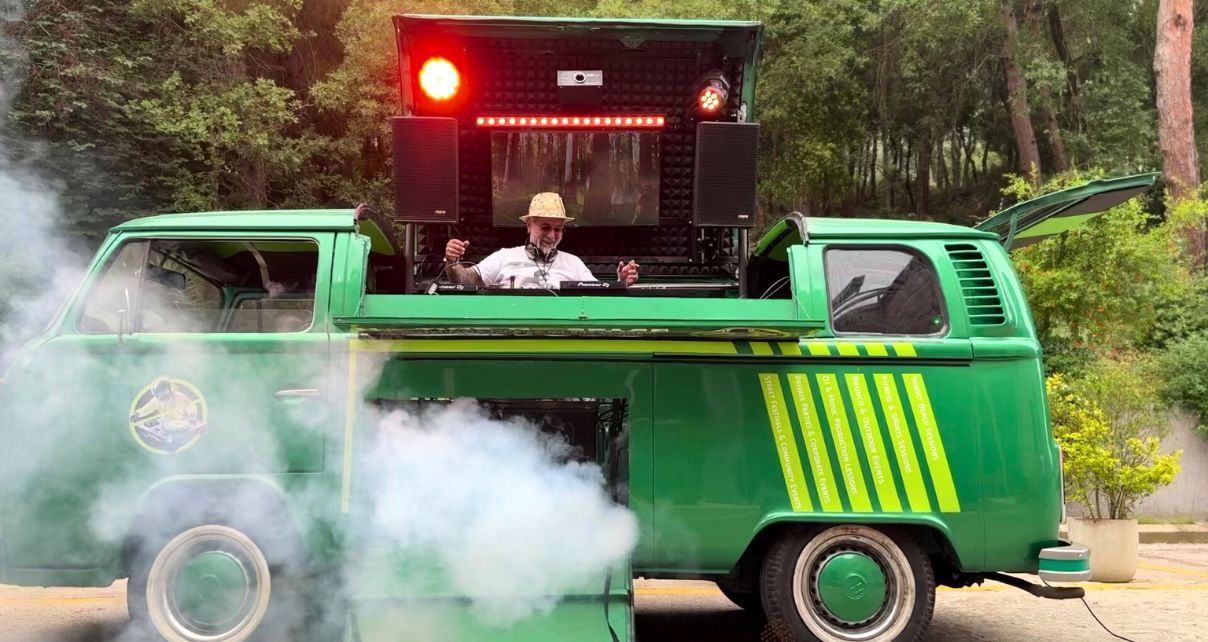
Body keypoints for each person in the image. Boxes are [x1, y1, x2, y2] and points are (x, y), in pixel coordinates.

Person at [444, 192, 640, 289]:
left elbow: (598, 297)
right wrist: (453, 262)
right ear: (529, 225)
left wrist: (621, 283)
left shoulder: (573, 263)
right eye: (545, 227)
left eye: (558, 229)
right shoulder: (504, 257)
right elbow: (463, 281)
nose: (552, 236)